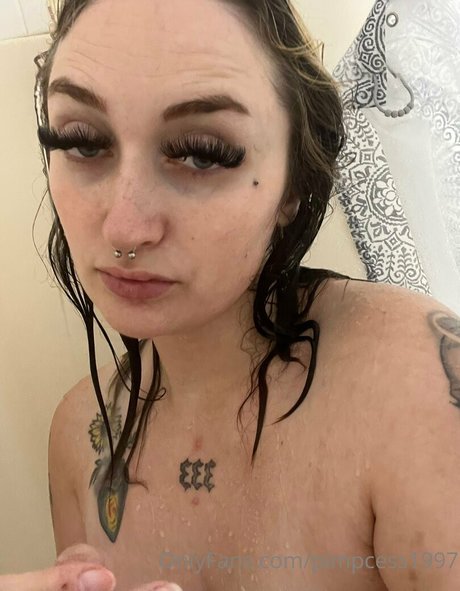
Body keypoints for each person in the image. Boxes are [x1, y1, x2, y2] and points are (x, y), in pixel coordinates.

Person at [4, 0, 460, 589]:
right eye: (82, 142)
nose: (124, 228)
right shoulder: (79, 433)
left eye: (202, 152)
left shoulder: (411, 387)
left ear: (293, 183)